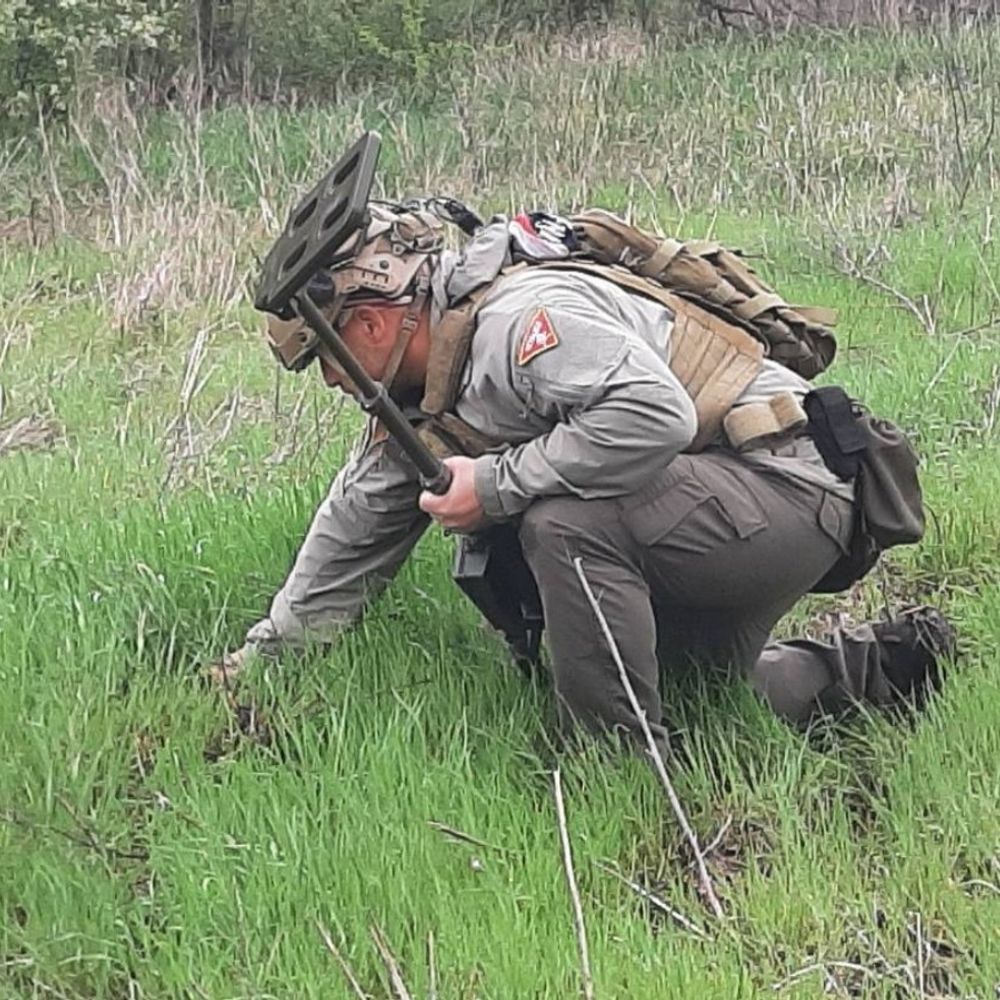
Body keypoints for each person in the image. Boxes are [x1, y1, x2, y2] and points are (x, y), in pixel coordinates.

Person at [214, 200, 955, 751]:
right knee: (699, 698)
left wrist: (497, 485)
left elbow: (654, 416)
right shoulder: (425, 389)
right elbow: (356, 526)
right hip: (723, 504)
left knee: (562, 521)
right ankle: (889, 665)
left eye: (325, 358)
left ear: (370, 326)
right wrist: (262, 660)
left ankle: (615, 767)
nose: (331, 383)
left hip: (792, 488)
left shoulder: (516, 322)